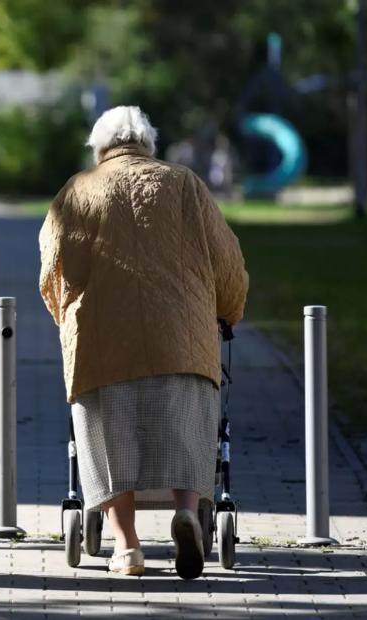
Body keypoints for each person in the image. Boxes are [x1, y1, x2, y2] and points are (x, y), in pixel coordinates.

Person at [38, 106, 248, 580]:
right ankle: (186, 513)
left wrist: (63, 318)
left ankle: (127, 547)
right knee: (187, 432)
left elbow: (53, 270)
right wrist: (229, 310)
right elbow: (227, 261)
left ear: (99, 148)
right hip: (183, 339)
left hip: (104, 345)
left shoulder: (78, 190)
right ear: (149, 145)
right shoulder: (186, 184)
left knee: (108, 441)